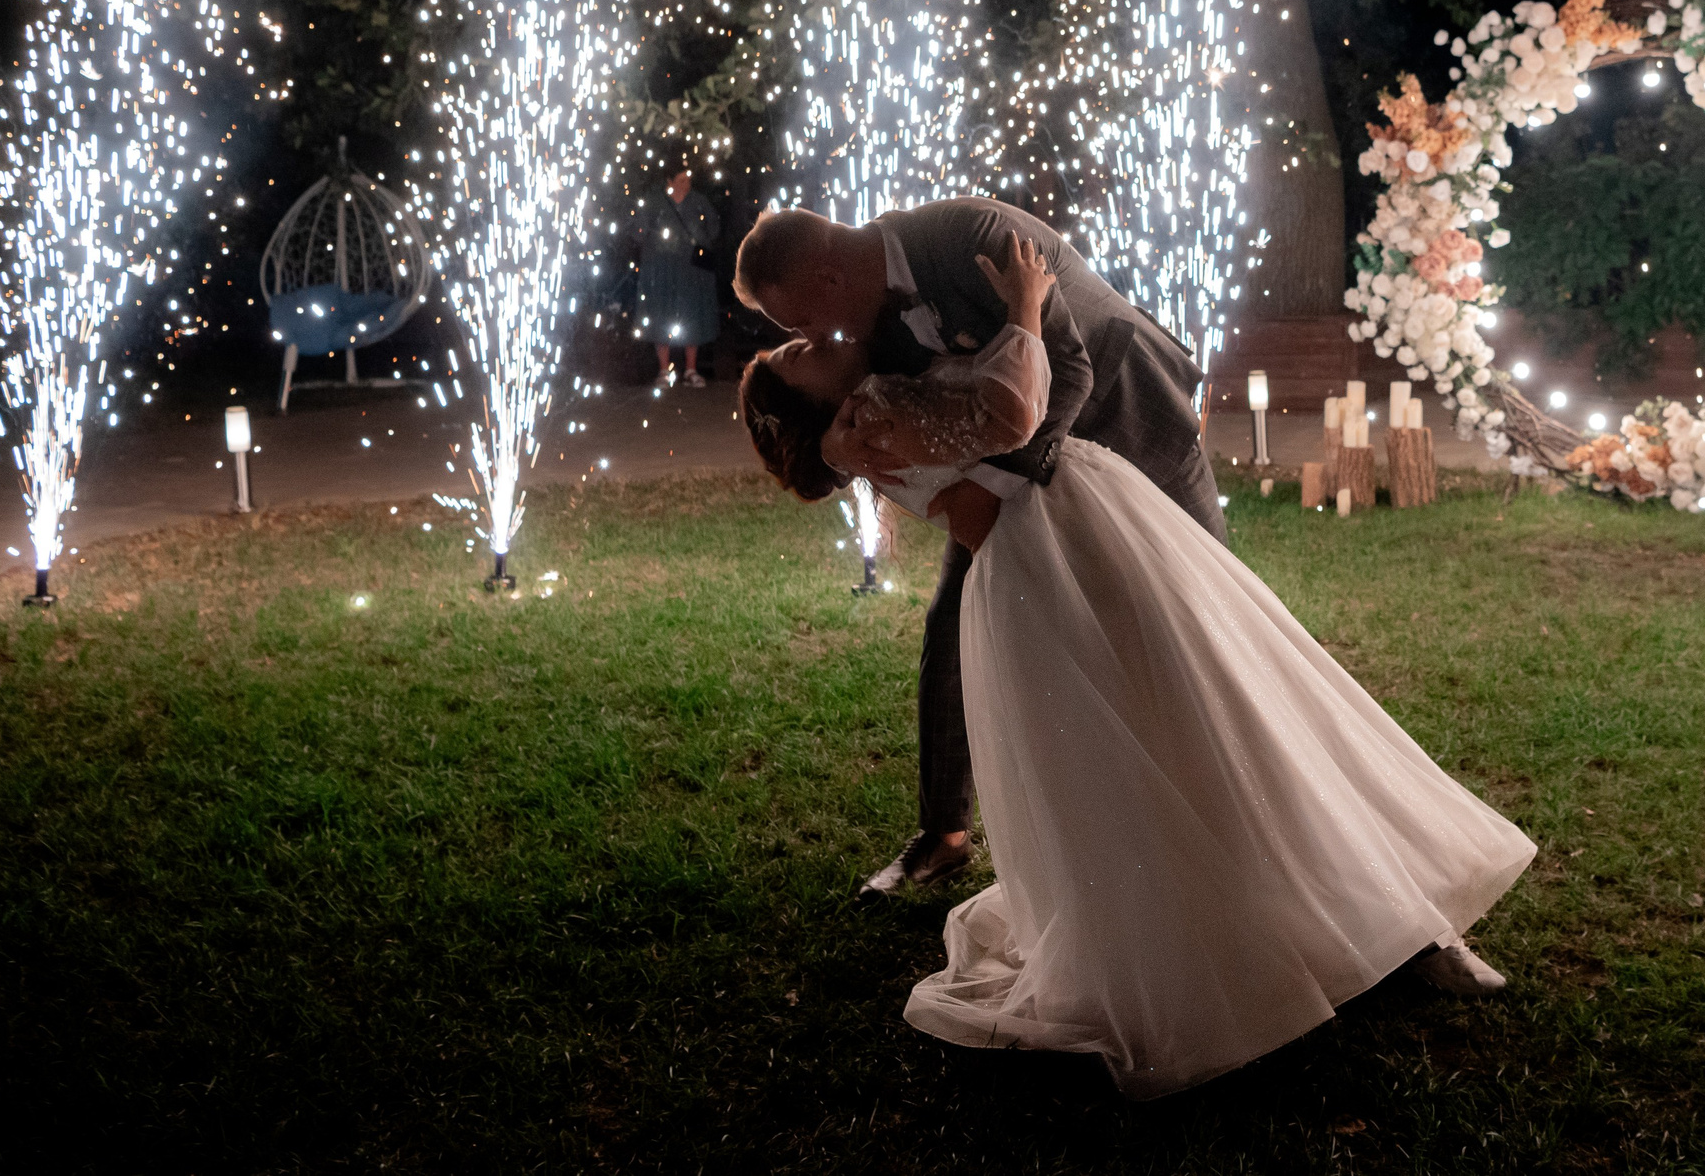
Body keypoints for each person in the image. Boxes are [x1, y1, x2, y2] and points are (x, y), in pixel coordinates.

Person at [739, 231, 1535, 1099]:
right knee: (1195, 713)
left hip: (1086, 520)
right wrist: (1026, 308)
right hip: (1062, 550)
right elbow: (1011, 414)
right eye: (793, 349)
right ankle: (1267, 921)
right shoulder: (863, 418)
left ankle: (1376, 917)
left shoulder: (904, 323)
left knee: (1223, 696)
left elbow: (1029, 402)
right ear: (809, 408)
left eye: (794, 327)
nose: (807, 338)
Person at [733, 197, 1226, 897]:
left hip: (1125, 401)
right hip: (1024, 481)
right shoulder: (871, 336)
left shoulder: (976, 238)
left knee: (1221, 606)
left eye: (796, 324)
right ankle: (944, 832)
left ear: (829, 278)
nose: (806, 334)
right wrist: (844, 450)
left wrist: (994, 491)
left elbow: (1070, 374)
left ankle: (1254, 789)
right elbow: (858, 421)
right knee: (952, 629)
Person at [636, 168, 720, 388]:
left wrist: (700, 242)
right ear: (669, 180)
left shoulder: (699, 201)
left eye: (688, 180)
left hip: (692, 271)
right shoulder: (655, 202)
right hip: (661, 269)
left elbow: (713, 227)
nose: (686, 184)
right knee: (661, 315)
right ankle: (664, 370)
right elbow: (638, 230)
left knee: (692, 315)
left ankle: (690, 370)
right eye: (681, 180)